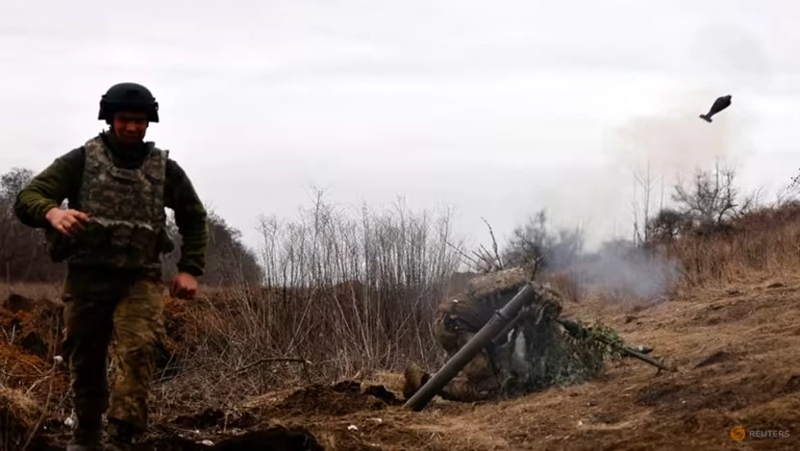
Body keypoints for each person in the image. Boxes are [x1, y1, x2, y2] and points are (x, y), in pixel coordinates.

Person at [14, 82, 209, 450]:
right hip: (88, 278)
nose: (133, 127)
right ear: (110, 119)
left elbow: (194, 218)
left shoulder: (164, 169)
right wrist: (53, 212)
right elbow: (28, 198)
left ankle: (123, 437)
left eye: (140, 121)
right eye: (125, 120)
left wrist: (190, 269)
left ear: (149, 122)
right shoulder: (82, 161)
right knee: (86, 358)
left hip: (141, 279)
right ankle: (86, 433)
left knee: (138, 352)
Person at [403, 267, 565, 403]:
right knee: (487, 388)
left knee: (482, 372)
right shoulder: (524, 299)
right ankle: (424, 382)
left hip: (450, 323)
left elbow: (502, 339)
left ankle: (425, 383)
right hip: (455, 327)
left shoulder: (516, 292)